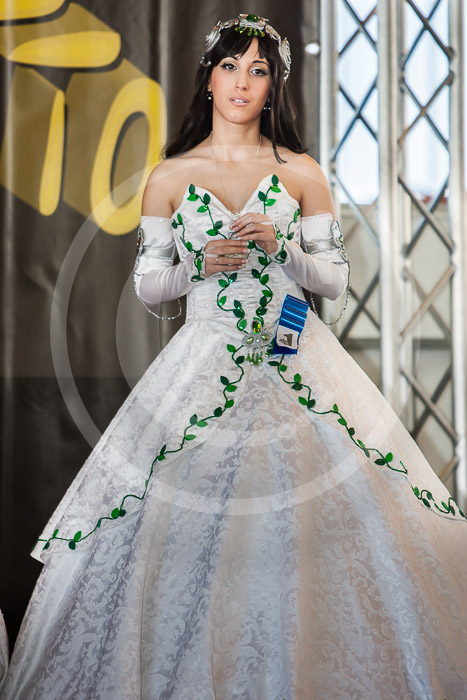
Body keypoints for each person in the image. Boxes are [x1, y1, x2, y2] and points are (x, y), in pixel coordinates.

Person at [1, 13, 467, 700]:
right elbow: (149, 286)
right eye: (229, 66)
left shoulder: (301, 172)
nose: (242, 82)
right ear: (208, 78)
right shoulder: (169, 176)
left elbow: (333, 281)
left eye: (258, 70)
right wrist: (199, 265)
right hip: (203, 357)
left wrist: (283, 251)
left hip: (296, 358)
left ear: (274, 85)